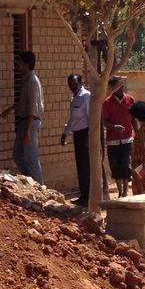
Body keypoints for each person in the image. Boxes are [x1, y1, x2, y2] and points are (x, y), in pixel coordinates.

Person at [0, 50, 45, 184]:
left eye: (19, 62)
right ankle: (31, 182)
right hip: (24, 122)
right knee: (17, 155)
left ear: (26, 64)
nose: (17, 64)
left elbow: (32, 107)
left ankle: (39, 188)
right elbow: (24, 102)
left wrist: (27, 131)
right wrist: (10, 109)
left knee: (32, 158)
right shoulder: (27, 80)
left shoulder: (32, 81)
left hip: (29, 123)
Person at [59, 73, 91, 206]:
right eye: (70, 85)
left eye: (74, 84)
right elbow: (72, 118)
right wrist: (65, 133)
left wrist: (89, 136)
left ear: (80, 83)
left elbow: (91, 117)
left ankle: (88, 196)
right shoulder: (74, 98)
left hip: (85, 134)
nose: (72, 86)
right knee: (80, 165)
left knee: (85, 166)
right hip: (77, 134)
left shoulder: (86, 96)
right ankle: (84, 195)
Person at [101, 76, 136, 198]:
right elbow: (104, 121)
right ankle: (120, 191)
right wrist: (113, 126)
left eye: (120, 86)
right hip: (113, 140)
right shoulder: (107, 102)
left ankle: (126, 191)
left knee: (125, 164)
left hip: (127, 138)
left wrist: (137, 134)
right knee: (115, 166)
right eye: (116, 87)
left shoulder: (130, 100)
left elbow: (133, 119)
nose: (119, 89)